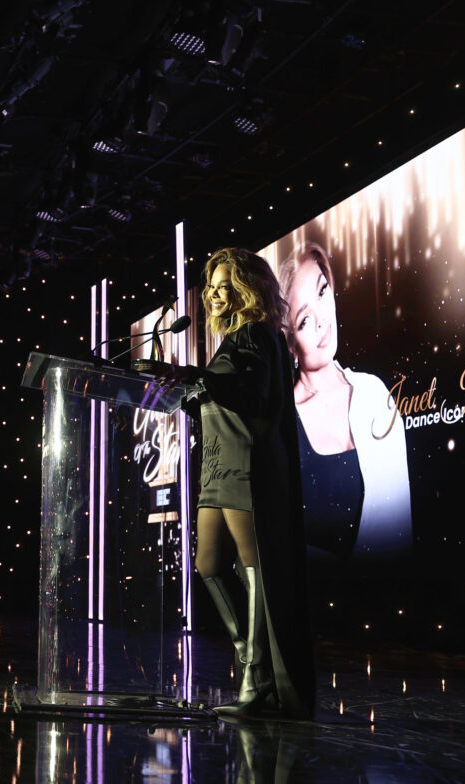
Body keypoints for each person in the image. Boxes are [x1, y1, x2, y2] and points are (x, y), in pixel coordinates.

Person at [168, 247, 315, 719]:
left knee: (256, 574)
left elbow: (254, 395)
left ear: (247, 288)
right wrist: (188, 395)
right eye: (210, 287)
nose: (213, 295)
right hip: (216, 465)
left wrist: (197, 379)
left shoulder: (255, 333)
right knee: (208, 566)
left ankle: (258, 684)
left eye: (224, 286)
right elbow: (226, 398)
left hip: (246, 464)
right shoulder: (233, 339)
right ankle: (254, 663)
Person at [278, 241, 413, 565]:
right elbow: (274, 542)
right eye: (304, 320)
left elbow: (402, 529)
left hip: (394, 589)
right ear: (290, 343)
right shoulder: (281, 422)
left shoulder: (374, 392)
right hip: (319, 594)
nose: (322, 320)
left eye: (322, 291)